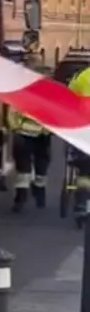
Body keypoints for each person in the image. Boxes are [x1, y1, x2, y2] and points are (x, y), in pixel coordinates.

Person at [6, 103, 53, 212]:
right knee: (26, 169)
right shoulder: (42, 96)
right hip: (29, 134)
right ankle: (28, 196)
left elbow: (12, 113)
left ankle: (30, 195)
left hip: (37, 135)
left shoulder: (25, 95)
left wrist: (15, 127)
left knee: (36, 168)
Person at [68, 67, 90, 218]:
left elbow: (68, 98)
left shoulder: (83, 76)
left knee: (84, 170)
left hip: (83, 130)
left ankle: (81, 203)